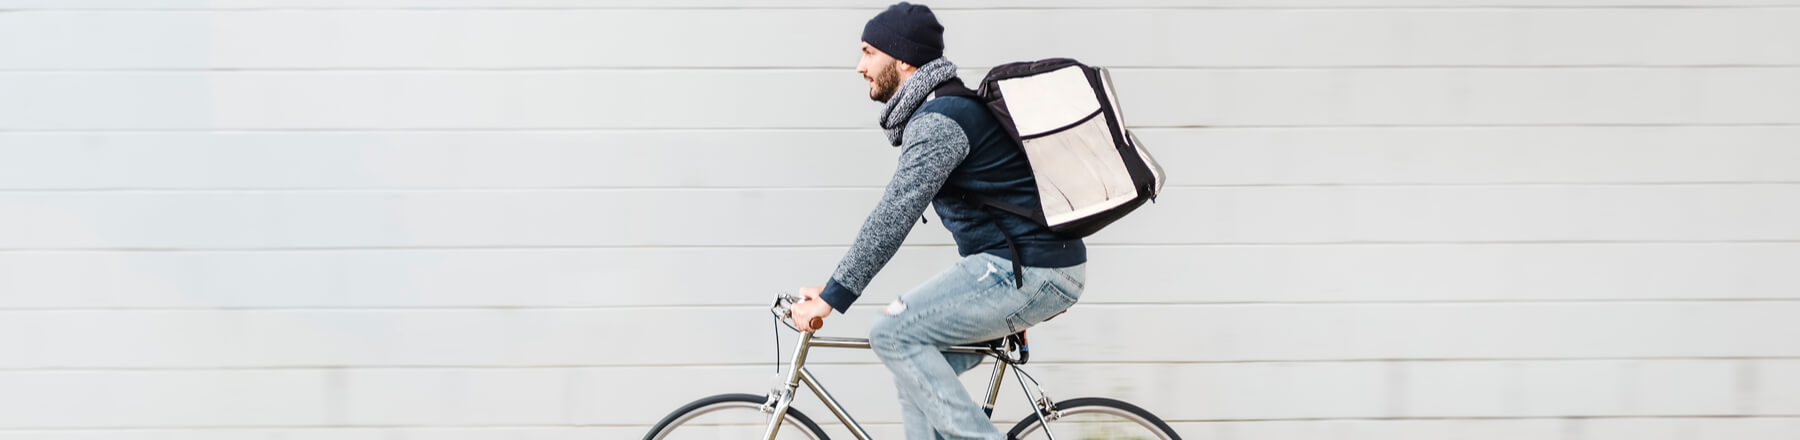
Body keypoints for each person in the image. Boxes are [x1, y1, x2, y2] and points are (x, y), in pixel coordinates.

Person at [788, 3, 1087, 438]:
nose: (859, 66)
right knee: (917, 378)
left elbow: (893, 215)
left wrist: (832, 296)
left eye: (869, 52)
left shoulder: (941, 120)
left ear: (903, 59)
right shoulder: (941, 110)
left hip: (1028, 268)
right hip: (1020, 267)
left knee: (892, 333)